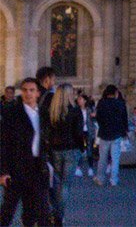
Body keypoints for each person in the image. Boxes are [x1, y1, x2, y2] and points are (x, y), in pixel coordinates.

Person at [0, 77, 53, 226]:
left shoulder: (43, 113)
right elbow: (4, 143)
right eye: (24, 90)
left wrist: (49, 163)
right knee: (8, 210)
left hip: (37, 167)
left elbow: (45, 140)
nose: (28, 93)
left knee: (40, 210)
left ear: (38, 93)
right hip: (17, 168)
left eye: (31, 90)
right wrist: (3, 171)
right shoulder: (12, 113)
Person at [43, 81, 82, 226]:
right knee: (65, 185)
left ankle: (55, 213)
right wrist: (82, 148)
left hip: (54, 150)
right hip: (71, 150)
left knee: (56, 184)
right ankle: (59, 216)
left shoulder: (51, 111)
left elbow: (47, 131)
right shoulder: (75, 110)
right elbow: (78, 133)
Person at [93, 84, 128, 187]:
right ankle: (114, 180)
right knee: (115, 158)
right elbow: (124, 118)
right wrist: (124, 130)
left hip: (104, 133)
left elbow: (98, 117)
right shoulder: (120, 103)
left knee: (102, 158)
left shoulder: (101, 103)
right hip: (116, 133)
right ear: (115, 93)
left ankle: (100, 178)